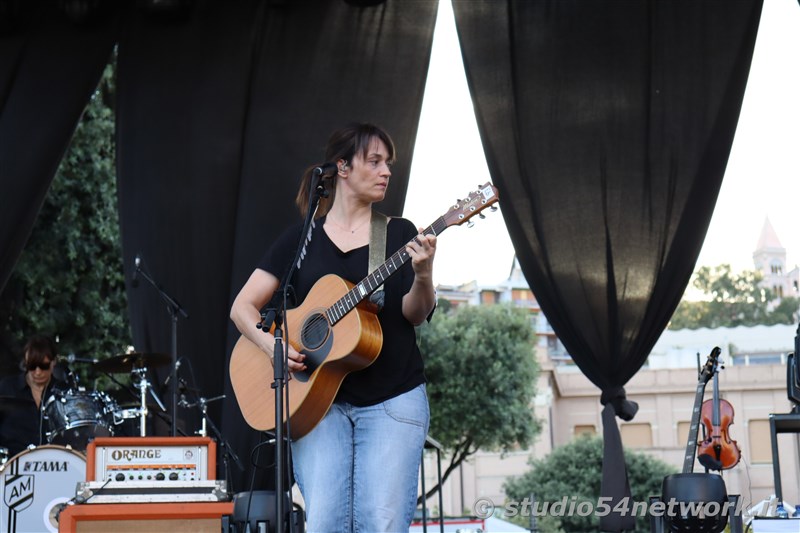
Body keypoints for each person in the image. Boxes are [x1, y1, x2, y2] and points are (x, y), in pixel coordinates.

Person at [230, 122, 437, 532]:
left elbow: (415, 314)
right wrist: (271, 343)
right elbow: (242, 307)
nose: (386, 172)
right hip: (316, 405)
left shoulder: (398, 233)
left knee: (380, 523)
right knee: (325, 523)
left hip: (392, 399)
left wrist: (424, 275)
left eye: (388, 164)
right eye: (375, 161)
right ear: (342, 167)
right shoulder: (301, 239)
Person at [0, 334, 64, 458]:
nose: (38, 372)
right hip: (11, 464)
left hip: (54, 465)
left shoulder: (63, 392)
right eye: (32, 366)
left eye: (44, 366)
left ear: (53, 363)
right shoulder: (6, 388)